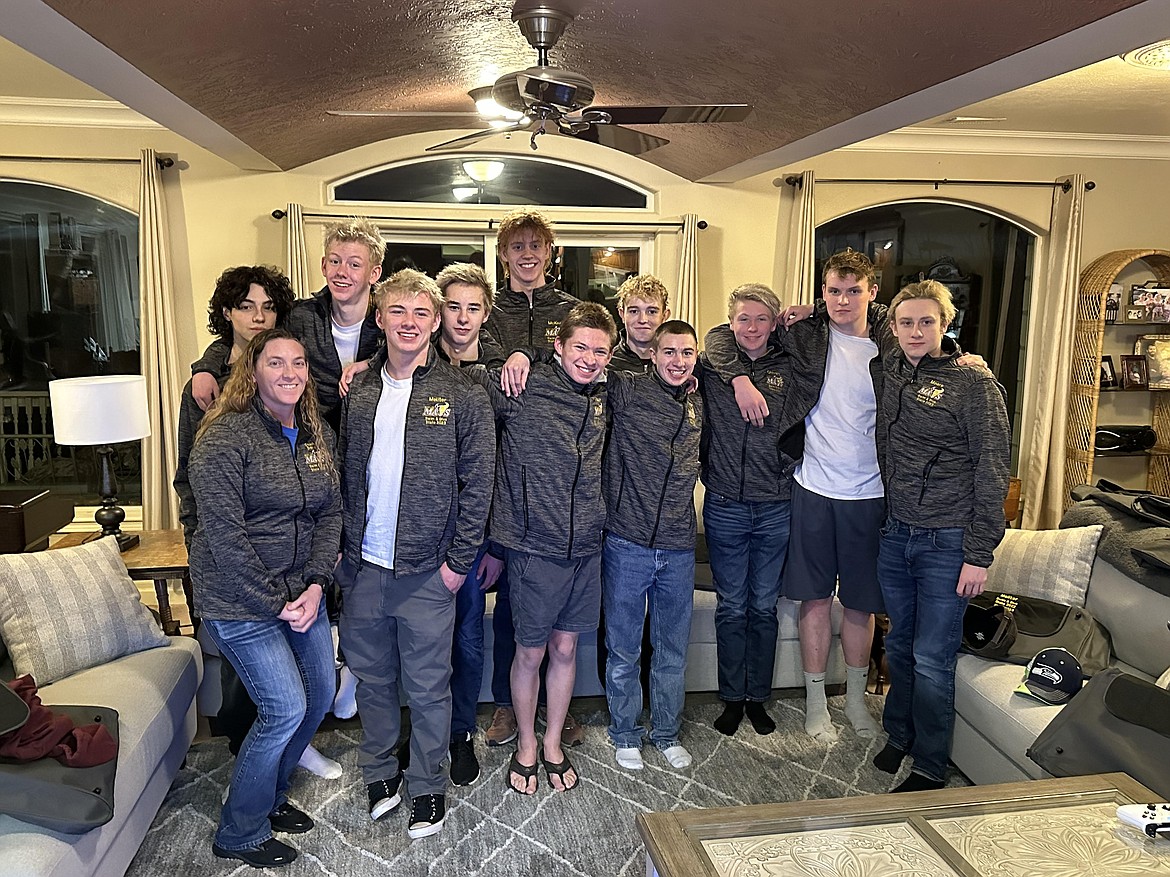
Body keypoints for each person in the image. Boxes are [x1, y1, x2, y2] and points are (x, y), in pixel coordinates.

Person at [704, 250, 890, 741]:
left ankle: (853, 701)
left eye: (853, 290)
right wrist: (741, 377)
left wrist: (961, 356)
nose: (842, 299)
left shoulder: (892, 345)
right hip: (810, 486)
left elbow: (930, 337)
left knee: (858, 604)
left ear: (873, 291)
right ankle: (814, 706)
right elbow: (724, 335)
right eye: (832, 291)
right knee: (806, 600)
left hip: (870, 492)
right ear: (822, 291)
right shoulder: (807, 337)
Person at [335, 269, 495, 838]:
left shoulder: (464, 395)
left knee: (429, 689)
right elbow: (347, 476)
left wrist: (457, 565)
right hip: (363, 570)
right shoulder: (360, 393)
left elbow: (479, 484)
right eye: (397, 311)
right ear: (380, 318)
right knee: (375, 682)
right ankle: (380, 771)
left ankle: (427, 784)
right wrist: (341, 561)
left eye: (421, 313)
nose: (409, 322)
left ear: (435, 323)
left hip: (431, 574)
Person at [188, 328, 341, 869]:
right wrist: (277, 601)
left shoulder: (314, 432)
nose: (290, 373)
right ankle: (240, 830)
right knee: (283, 708)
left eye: (298, 363)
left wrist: (318, 583)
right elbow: (224, 537)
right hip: (239, 600)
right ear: (252, 372)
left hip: (305, 591)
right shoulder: (224, 439)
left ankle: (270, 798)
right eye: (276, 363)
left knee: (320, 694)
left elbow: (331, 514)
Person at [871, 280, 1010, 792]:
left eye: (927, 321)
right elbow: (861, 301)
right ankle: (899, 734)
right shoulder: (892, 362)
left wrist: (979, 554)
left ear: (946, 325)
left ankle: (930, 765)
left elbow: (994, 466)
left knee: (932, 657)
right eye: (906, 322)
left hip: (947, 543)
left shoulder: (974, 384)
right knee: (901, 645)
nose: (915, 330)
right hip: (895, 535)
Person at [472, 302, 614, 795]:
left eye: (600, 350)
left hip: (587, 546)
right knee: (530, 653)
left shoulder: (604, 394)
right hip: (534, 545)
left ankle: (554, 741)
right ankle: (527, 743)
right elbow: (466, 371)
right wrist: (520, 352)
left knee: (567, 646)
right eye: (580, 347)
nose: (590, 358)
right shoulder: (522, 385)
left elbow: (665, 366)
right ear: (558, 346)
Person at [174, 266, 309, 768]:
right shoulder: (207, 385)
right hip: (226, 548)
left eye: (268, 307)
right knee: (242, 666)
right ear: (227, 312)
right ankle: (243, 748)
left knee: (295, 655)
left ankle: (289, 742)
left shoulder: (285, 372)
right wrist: (196, 532)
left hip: (286, 547)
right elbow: (187, 469)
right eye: (247, 306)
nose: (258, 316)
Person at [479, 207, 585, 751]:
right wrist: (513, 353)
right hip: (504, 474)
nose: (526, 254)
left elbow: (585, 359)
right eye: (516, 247)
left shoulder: (570, 309)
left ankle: (556, 710)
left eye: (535, 246)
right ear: (503, 255)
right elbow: (488, 366)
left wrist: (531, 352)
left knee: (560, 614)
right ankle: (505, 702)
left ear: (550, 252)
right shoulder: (490, 310)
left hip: (562, 477)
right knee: (514, 605)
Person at [603, 319, 702, 770]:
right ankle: (625, 732)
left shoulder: (700, 400)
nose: (677, 362)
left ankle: (665, 732)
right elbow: (576, 362)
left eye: (686, 353)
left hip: (680, 545)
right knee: (623, 647)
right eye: (668, 352)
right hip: (627, 541)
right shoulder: (626, 390)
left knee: (671, 649)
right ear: (652, 355)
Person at [698, 284, 797, 736]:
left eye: (761, 319)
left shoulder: (791, 362)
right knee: (731, 607)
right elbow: (712, 337)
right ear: (731, 321)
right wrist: (739, 379)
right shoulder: (714, 364)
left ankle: (758, 697)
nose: (751, 328)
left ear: (775, 322)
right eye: (743, 318)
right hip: (725, 505)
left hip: (777, 505)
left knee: (762, 607)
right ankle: (731, 697)